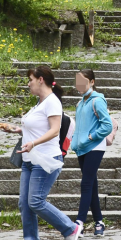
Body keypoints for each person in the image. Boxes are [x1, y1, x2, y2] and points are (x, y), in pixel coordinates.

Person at [0, 66, 83, 240]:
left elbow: (54, 130)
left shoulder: (52, 101)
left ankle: (71, 228)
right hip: (29, 160)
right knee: (25, 204)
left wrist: (33, 143)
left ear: (40, 80)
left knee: (36, 201)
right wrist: (16, 130)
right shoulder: (39, 103)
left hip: (45, 159)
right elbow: (36, 130)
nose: (28, 84)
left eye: (30, 80)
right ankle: (30, 238)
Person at [71, 69, 113, 236]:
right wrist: (76, 143)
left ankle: (79, 224)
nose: (80, 85)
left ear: (92, 82)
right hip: (82, 148)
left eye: (83, 81)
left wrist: (91, 136)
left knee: (86, 183)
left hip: (95, 146)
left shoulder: (98, 101)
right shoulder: (80, 103)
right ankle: (99, 222)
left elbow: (107, 126)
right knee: (92, 185)